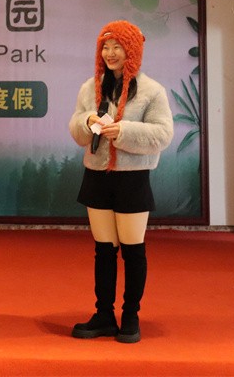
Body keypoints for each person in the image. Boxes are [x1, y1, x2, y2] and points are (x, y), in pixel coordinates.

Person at [68, 20, 174, 344]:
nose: (110, 53)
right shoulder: (90, 87)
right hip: (97, 175)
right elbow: (76, 129)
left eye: (117, 47)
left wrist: (123, 131)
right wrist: (86, 120)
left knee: (132, 249)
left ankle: (130, 316)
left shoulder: (153, 91)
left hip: (133, 178)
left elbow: (163, 134)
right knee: (103, 249)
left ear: (133, 50)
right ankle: (103, 314)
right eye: (106, 46)